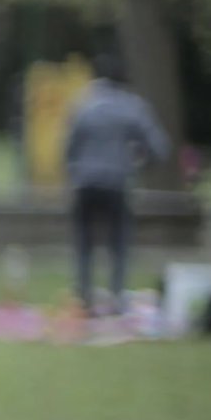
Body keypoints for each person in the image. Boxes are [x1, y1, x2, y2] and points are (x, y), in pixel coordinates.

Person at [63, 52, 171, 314]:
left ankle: (84, 296)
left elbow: (69, 149)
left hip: (85, 183)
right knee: (119, 243)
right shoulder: (133, 107)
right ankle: (116, 297)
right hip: (116, 183)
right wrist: (138, 164)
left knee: (84, 243)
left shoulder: (83, 104)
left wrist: (77, 171)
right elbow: (160, 148)